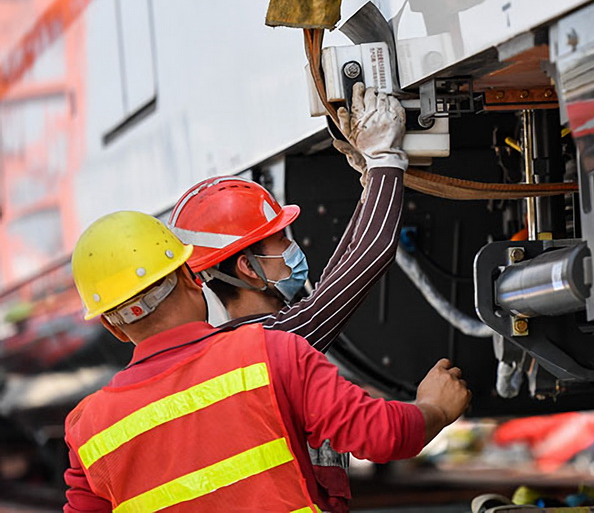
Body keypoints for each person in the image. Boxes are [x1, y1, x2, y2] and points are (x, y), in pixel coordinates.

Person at [63, 211, 470, 512]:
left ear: (113, 329)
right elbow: (380, 435)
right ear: (191, 279)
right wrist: (434, 408)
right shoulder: (271, 354)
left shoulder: (89, 430)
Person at [167, 83, 407, 352]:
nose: (292, 247)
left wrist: (370, 183)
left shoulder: (237, 341)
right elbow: (373, 253)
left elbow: (326, 289)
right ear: (247, 267)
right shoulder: (274, 341)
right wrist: (386, 159)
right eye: (280, 239)